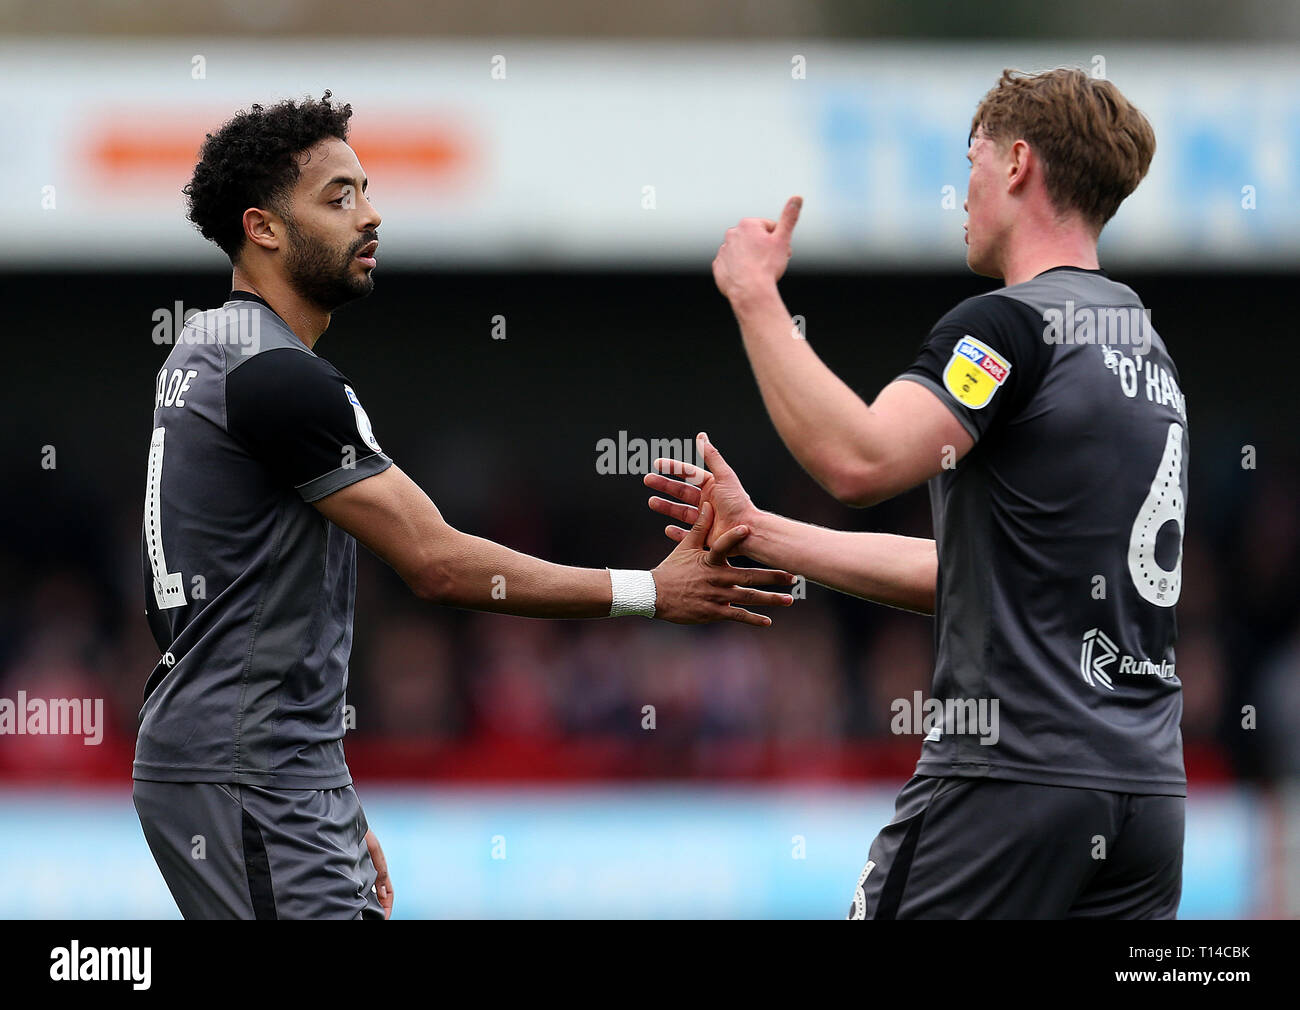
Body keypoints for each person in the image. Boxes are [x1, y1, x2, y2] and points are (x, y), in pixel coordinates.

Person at [134, 92, 794, 920]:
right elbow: (438, 562)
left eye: (367, 191)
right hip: (249, 772)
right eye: (339, 198)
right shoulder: (277, 376)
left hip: (254, 769)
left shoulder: (207, 349)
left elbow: (203, 594)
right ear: (263, 227)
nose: (370, 217)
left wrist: (324, 794)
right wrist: (649, 592)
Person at [647, 68, 1187, 918]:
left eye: (968, 161)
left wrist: (754, 296)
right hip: (1145, 802)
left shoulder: (1009, 325)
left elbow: (858, 461)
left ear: (1016, 164)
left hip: (1007, 782)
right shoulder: (1142, 351)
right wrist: (760, 532)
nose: (959, 193)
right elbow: (980, 575)